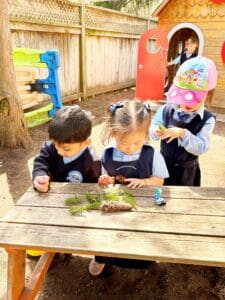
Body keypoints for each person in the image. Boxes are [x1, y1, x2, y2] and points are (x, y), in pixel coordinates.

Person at [89, 99, 169, 276]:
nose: (131, 149)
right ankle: (101, 258)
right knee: (107, 234)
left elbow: (160, 180)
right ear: (113, 132)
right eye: (124, 144)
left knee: (141, 237)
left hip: (144, 206)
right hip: (116, 204)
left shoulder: (152, 154)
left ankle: (143, 261)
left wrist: (146, 182)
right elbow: (106, 178)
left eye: (138, 142)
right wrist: (106, 180)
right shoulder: (108, 153)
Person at [150, 56, 217, 186]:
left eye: (193, 98)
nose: (186, 103)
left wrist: (184, 134)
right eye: (183, 96)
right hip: (163, 166)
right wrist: (156, 131)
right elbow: (152, 130)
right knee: (161, 198)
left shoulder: (207, 120)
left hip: (187, 172)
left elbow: (202, 147)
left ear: (207, 95)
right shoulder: (165, 110)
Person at [32, 105, 101, 192]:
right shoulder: (50, 147)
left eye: (66, 149)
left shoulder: (92, 161)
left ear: (85, 143)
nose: (59, 151)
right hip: (50, 195)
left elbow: (93, 187)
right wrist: (39, 176)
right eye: (55, 144)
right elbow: (41, 161)